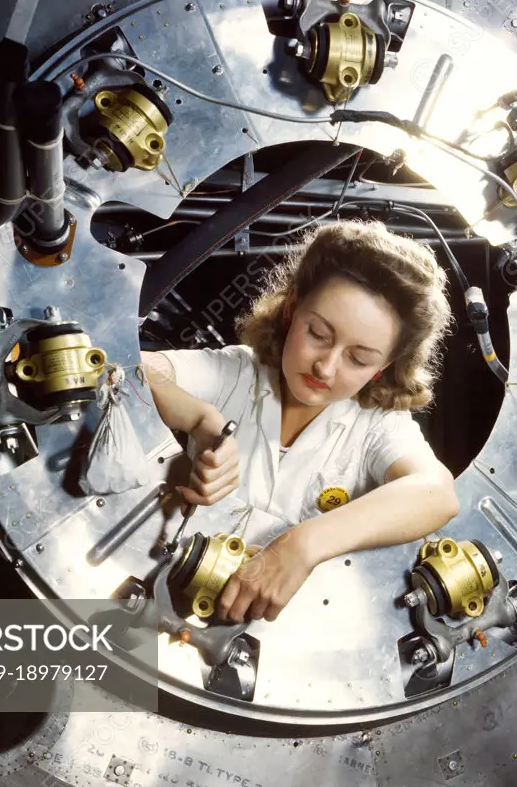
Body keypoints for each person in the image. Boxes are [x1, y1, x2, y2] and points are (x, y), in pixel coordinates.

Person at [140, 219, 458, 624]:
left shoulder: (379, 426)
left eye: (358, 359)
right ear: (292, 309)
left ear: (383, 368)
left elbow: (437, 493)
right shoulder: (236, 373)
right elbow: (120, 368)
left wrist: (302, 545)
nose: (325, 367)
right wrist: (201, 418)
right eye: (319, 333)